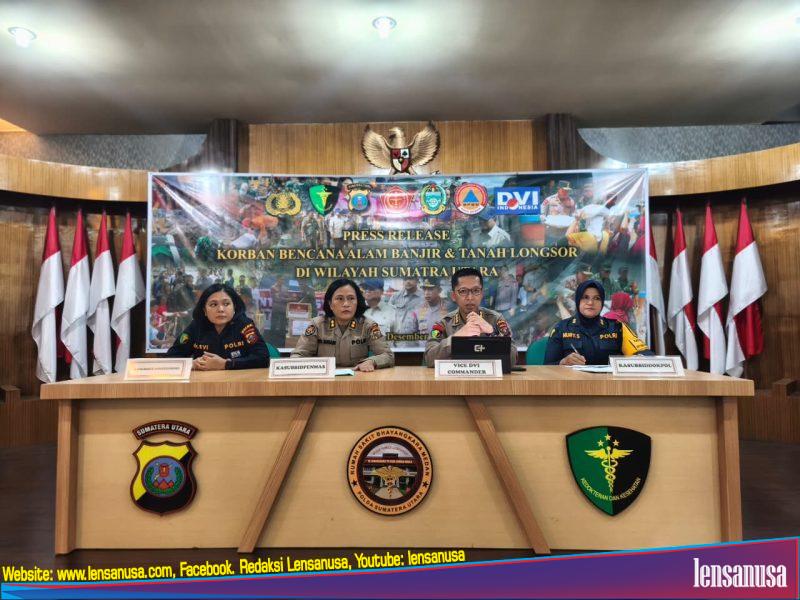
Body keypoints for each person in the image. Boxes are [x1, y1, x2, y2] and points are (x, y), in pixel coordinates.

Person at [291, 278, 394, 371]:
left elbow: (388, 355)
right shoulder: (317, 325)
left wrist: (372, 361)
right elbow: (298, 355)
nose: (346, 304)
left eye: (351, 298)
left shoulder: (368, 326)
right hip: (324, 380)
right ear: (330, 304)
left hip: (357, 379)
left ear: (357, 302)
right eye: (340, 299)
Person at [544, 280, 651, 366]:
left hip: (609, 385)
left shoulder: (617, 327)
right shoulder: (561, 328)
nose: (590, 302)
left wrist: (639, 359)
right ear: (578, 301)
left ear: (602, 302)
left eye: (597, 298)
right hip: (573, 385)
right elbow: (547, 367)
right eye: (585, 297)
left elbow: (645, 355)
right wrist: (563, 362)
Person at [425, 268, 517, 366]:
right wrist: (455, 339)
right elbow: (429, 359)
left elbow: (513, 359)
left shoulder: (496, 319)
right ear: (453, 296)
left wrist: (492, 333)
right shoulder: (443, 324)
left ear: (482, 294)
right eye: (463, 291)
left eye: (476, 291)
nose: (470, 297)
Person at [167, 283, 269, 370]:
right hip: (203, 383)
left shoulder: (244, 325)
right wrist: (191, 364)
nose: (220, 309)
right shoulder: (196, 326)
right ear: (204, 310)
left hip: (237, 382)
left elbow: (263, 358)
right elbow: (171, 357)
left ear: (234, 307)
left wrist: (226, 364)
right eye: (213, 304)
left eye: (226, 304)